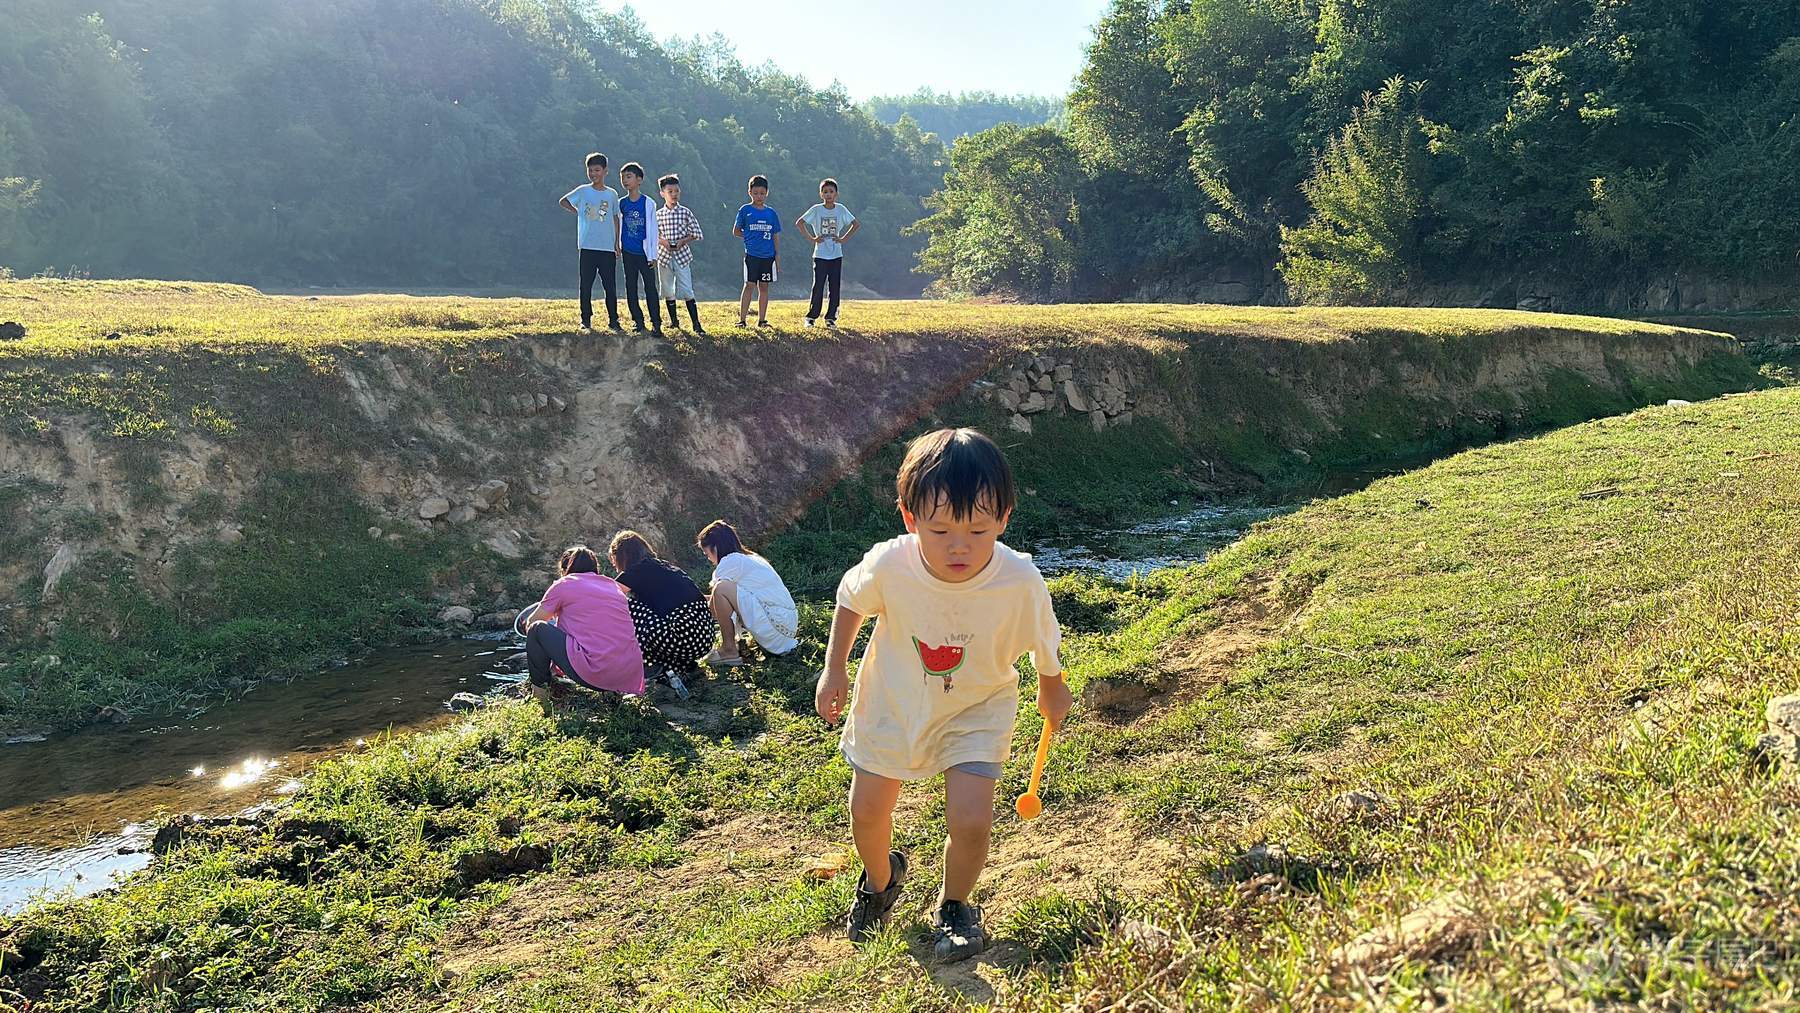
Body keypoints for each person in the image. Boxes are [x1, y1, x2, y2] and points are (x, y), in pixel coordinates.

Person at [814, 428, 1071, 961]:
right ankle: (882, 883)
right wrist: (833, 667)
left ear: (1004, 517)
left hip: (977, 707)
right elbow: (849, 598)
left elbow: (1044, 637)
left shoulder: (1019, 580)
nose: (960, 546)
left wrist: (1052, 684)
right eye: (940, 530)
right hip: (893, 701)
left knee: (973, 819)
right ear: (909, 518)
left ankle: (955, 906)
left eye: (979, 530)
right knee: (866, 811)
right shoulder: (890, 563)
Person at [517, 545, 644, 710]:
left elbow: (531, 623)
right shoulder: (613, 586)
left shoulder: (564, 584)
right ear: (595, 569)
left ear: (565, 569)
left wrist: (556, 617)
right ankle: (612, 693)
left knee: (537, 630)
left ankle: (539, 699)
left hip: (597, 671)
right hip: (628, 673)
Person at [609, 529, 715, 693]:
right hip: (704, 638)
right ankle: (678, 665)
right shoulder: (664, 567)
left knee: (628, 607)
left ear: (623, 556)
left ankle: (643, 666)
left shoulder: (639, 570)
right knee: (649, 612)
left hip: (685, 638)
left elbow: (605, 596)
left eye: (614, 559)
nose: (613, 564)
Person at [695, 519, 800, 663]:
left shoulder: (730, 562)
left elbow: (714, 606)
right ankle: (736, 644)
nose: (708, 557)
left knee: (721, 588)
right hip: (787, 627)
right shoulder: (750, 558)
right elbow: (719, 601)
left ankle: (729, 649)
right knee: (721, 590)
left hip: (776, 628)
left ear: (716, 547)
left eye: (706, 553)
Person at [559, 153, 622, 334]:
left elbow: (616, 218)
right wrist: (577, 211)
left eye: (597, 170)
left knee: (609, 285)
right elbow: (563, 201)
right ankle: (585, 320)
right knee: (585, 284)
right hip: (587, 245)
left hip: (607, 247)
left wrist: (617, 243)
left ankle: (613, 320)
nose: (593, 173)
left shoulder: (612, 194)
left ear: (605, 171)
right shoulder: (583, 191)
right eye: (590, 170)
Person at [797, 178, 859, 328]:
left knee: (834, 286)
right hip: (820, 255)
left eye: (831, 192)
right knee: (818, 285)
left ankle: (831, 318)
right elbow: (800, 222)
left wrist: (843, 239)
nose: (828, 195)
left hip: (836, 255)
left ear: (836, 194)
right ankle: (811, 317)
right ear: (821, 194)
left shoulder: (841, 209)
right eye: (825, 192)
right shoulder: (816, 210)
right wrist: (812, 238)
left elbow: (855, 224)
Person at [654, 173, 706, 334]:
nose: (674, 194)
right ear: (663, 193)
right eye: (670, 191)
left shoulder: (685, 212)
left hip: (682, 255)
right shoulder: (658, 215)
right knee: (667, 290)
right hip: (664, 255)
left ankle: (696, 324)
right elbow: (653, 235)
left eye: (676, 191)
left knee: (687, 289)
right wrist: (664, 243)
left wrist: (683, 240)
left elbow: (697, 233)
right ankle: (674, 321)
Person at [616, 162, 663, 336]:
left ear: (639, 180)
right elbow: (618, 225)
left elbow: (653, 231)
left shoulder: (648, 203)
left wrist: (653, 255)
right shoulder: (621, 203)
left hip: (645, 253)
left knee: (650, 287)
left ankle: (656, 323)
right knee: (631, 287)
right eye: (623, 178)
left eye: (629, 177)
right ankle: (638, 321)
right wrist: (617, 245)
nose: (625, 181)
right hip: (628, 252)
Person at [732, 175, 781, 328]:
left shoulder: (771, 213)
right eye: (756, 193)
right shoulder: (745, 210)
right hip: (752, 255)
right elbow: (736, 231)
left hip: (768, 257)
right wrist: (748, 237)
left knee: (764, 287)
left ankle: (762, 320)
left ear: (767, 193)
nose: (759, 196)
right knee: (749, 285)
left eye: (762, 193)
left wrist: (777, 256)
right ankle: (742, 320)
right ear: (750, 193)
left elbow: (775, 235)